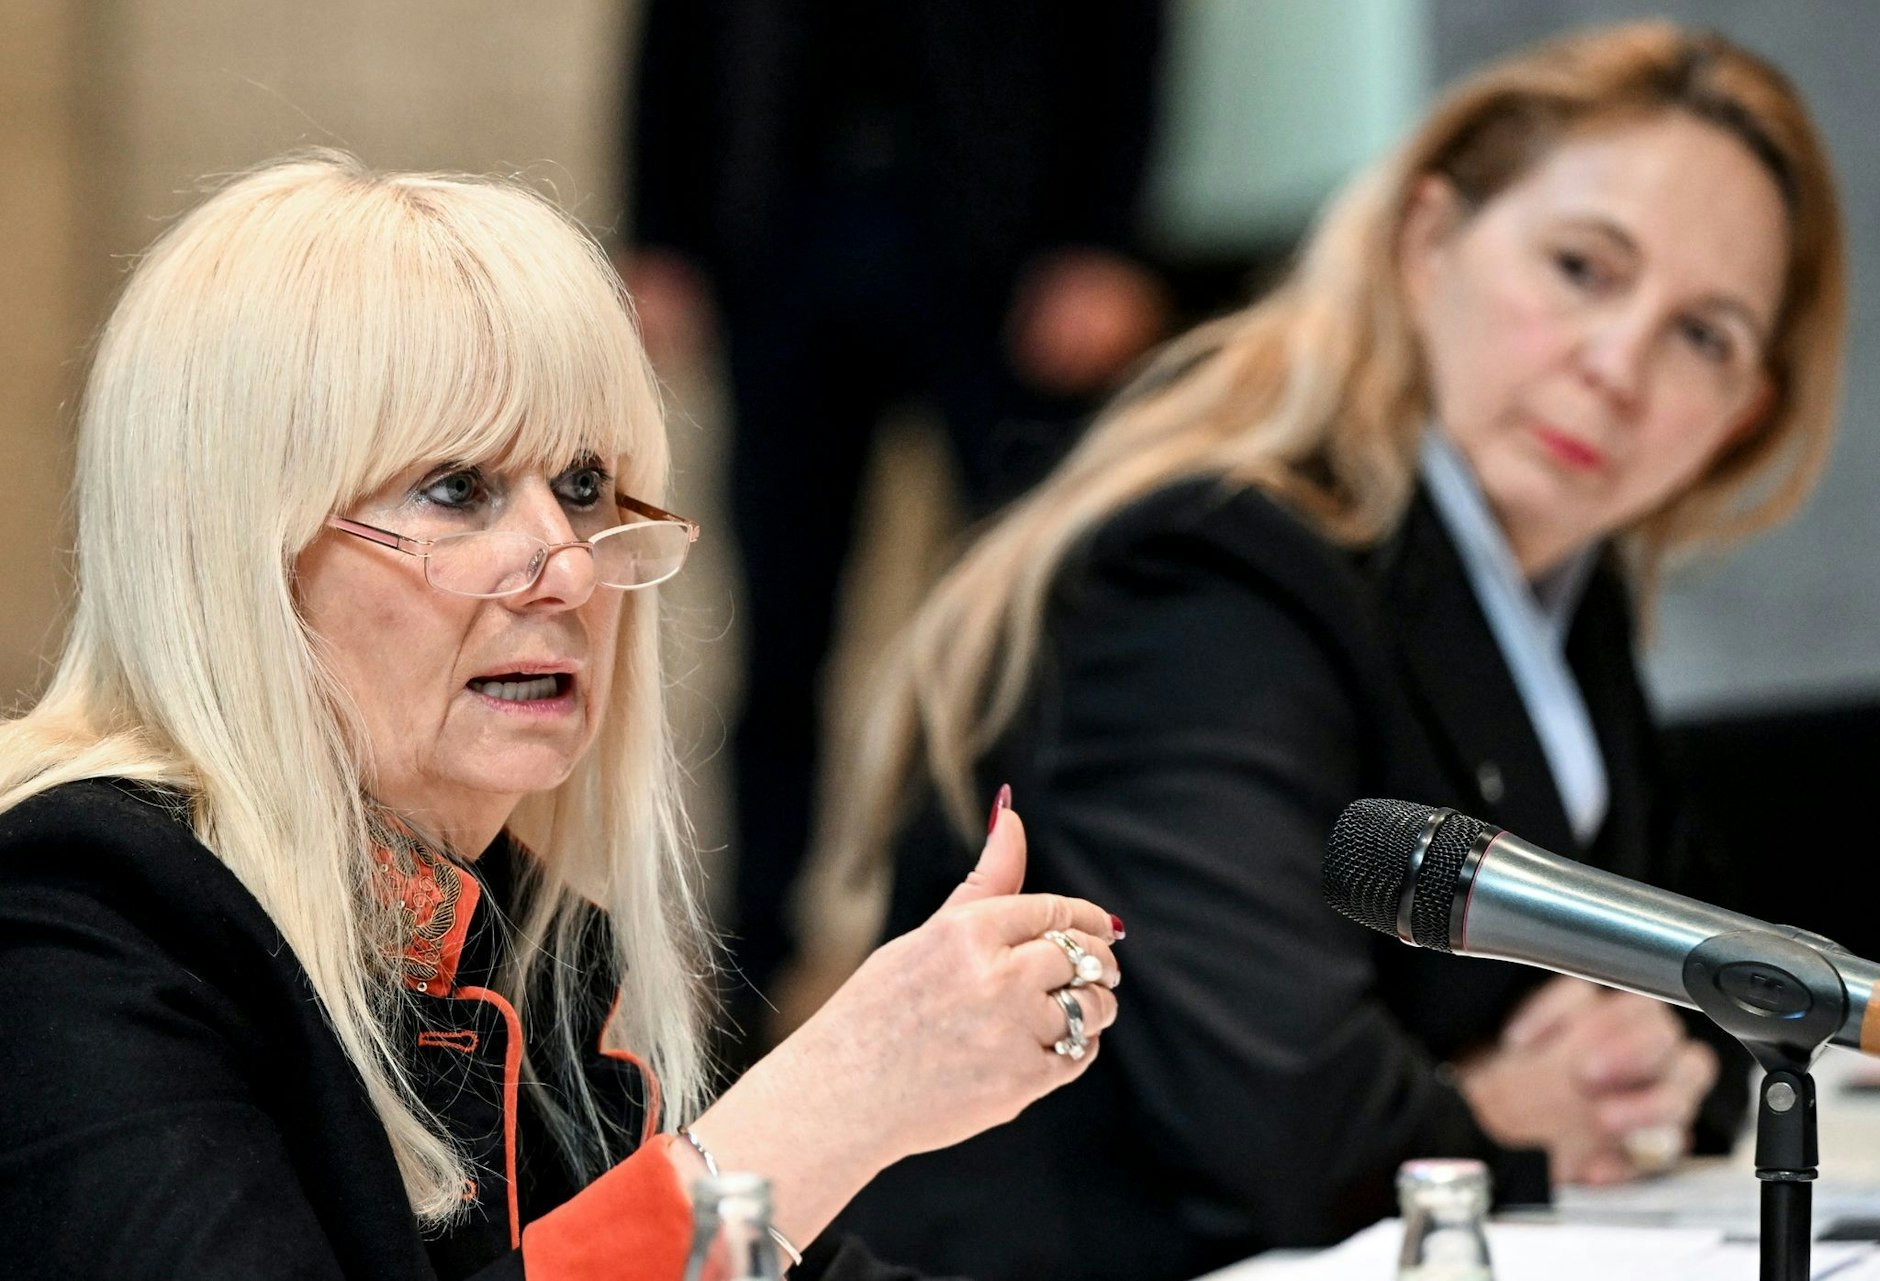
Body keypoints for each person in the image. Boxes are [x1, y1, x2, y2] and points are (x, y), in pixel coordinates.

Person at [833, 22, 1845, 1281]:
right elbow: (1285, 1118)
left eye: (1704, 335)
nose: (1617, 363)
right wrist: (1506, 1111)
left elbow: (1699, 1019)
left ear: (1740, 419)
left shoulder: (1560, 609)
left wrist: (1629, 1075)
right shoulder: (1210, 571)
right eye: (1583, 267)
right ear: (1427, 243)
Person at [0, 152, 1126, 1280]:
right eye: (457, 487)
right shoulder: (68, 924)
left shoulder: (532, 941)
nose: (569, 573)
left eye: (583, 487)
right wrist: (832, 1106)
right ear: (239, 553)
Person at [622, 0, 1172, 1051]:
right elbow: (677, 30)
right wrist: (661, 227)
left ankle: (1032, 946)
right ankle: (751, 967)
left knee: (1023, 632)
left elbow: (1124, 29)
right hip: (785, 229)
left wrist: (1104, 238)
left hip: (1003, 238)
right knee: (778, 635)